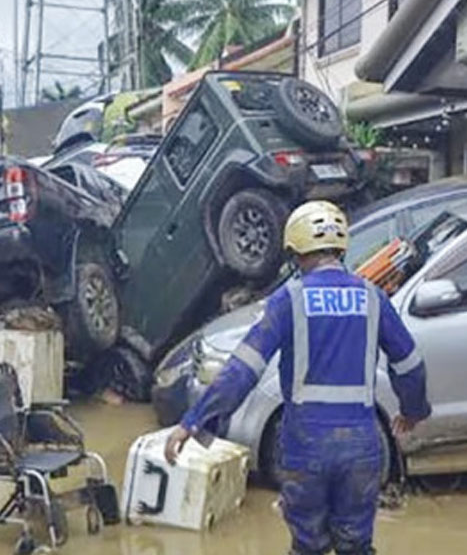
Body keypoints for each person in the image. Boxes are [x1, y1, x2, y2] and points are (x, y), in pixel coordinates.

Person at [165, 200, 429, 555]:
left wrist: (194, 422)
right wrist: (413, 411)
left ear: (296, 253)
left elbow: (242, 370)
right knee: (356, 545)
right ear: (340, 249)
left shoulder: (288, 300)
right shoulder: (373, 298)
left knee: (309, 546)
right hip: (361, 449)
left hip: (306, 448)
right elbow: (410, 364)